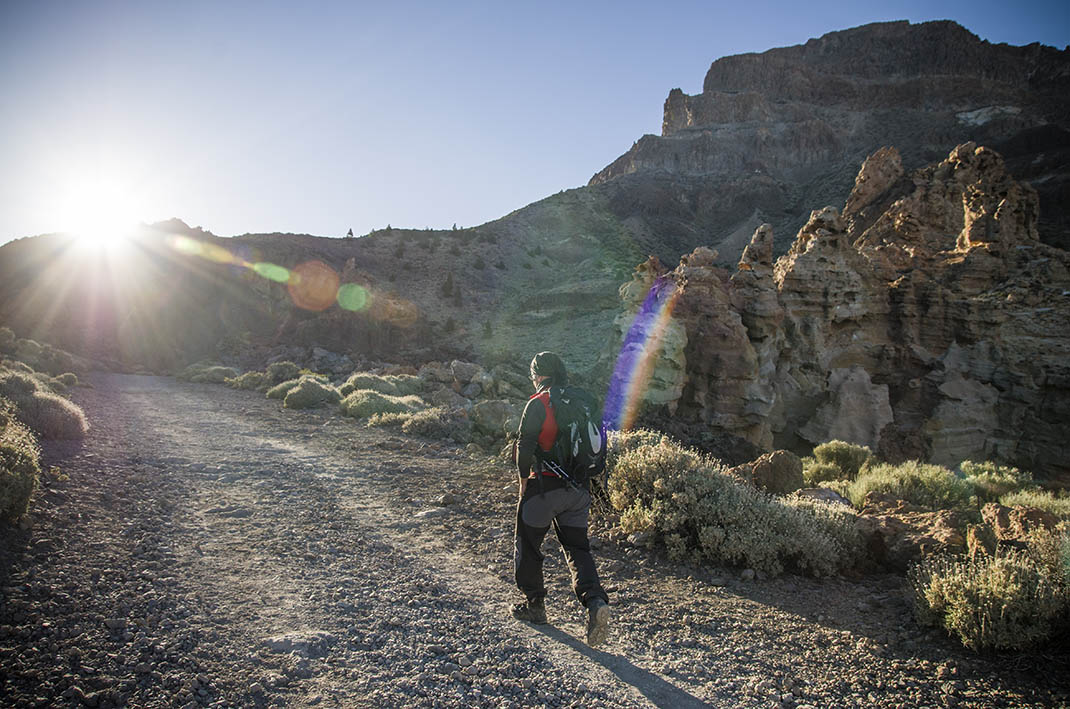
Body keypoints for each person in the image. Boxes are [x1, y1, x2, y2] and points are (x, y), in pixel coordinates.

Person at [511, 351, 610, 647]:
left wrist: (523, 482)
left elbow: (524, 447)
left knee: (527, 543)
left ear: (541, 375)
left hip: (544, 489)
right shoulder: (583, 400)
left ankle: (535, 605)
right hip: (579, 492)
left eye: (534, 374)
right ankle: (595, 602)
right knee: (578, 549)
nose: (533, 379)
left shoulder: (538, 403)